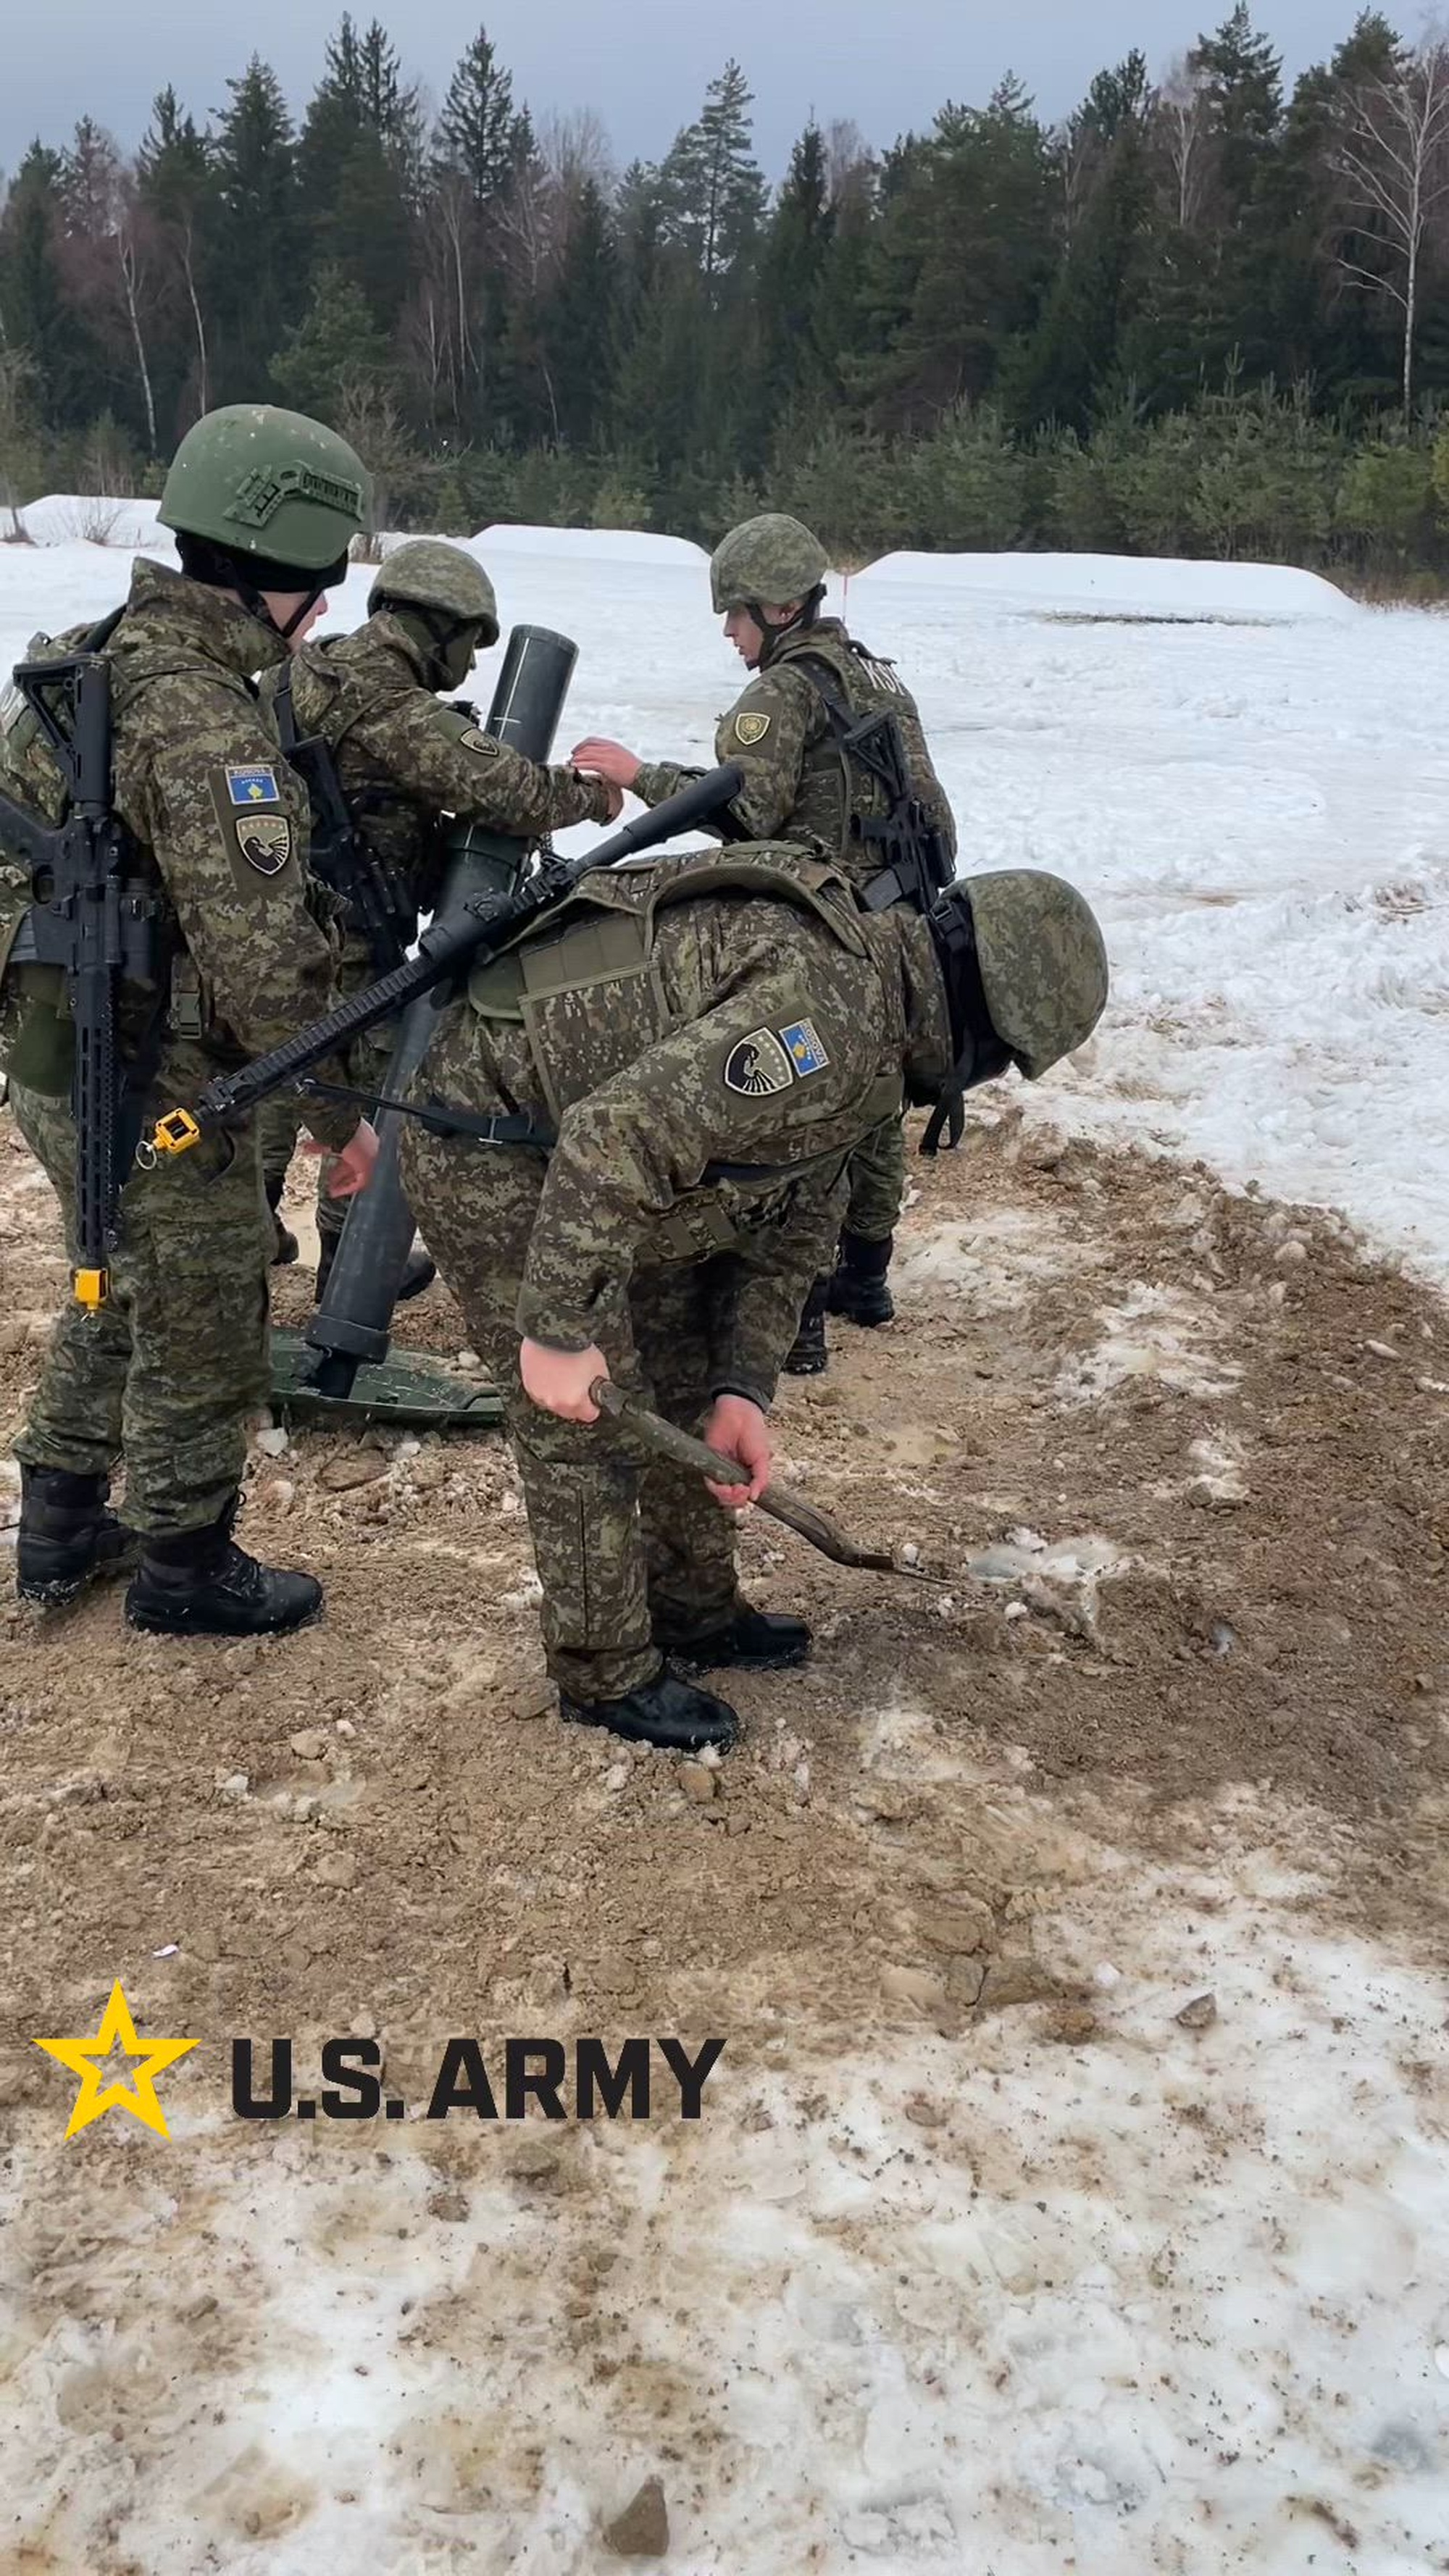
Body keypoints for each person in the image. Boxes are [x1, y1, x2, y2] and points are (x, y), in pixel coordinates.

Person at [396, 843, 1108, 1754]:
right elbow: (612, 1139)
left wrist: (741, 1387)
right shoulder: (832, 1017)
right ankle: (603, 1668)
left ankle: (693, 1608)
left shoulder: (880, 1026)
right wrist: (559, 1329)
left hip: (601, 1157)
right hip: (494, 1135)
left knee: (687, 1362)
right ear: (983, 1026)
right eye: (1002, 1063)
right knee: (585, 1423)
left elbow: (789, 1234)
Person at [4, 402, 375, 1636]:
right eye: (318, 584)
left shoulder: (83, 660)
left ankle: (59, 1521)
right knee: (208, 1307)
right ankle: (181, 1564)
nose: (320, 611)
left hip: (57, 1055)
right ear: (278, 566)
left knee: (111, 1284)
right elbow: (270, 971)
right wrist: (338, 1113)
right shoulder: (207, 720)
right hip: (157, 1079)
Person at [572, 509, 959, 1373]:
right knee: (876, 1100)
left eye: (736, 613)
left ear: (779, 609)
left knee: (805, 1104)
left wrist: (641, 779)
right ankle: (867, 1277)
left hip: (831, 921)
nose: (727, 631)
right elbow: (933, 811)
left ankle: (804, 1313)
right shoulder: (874, 676)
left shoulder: (785, 691)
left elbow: (741, 808)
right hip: (898, 914)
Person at [256, 538, 622, 1297]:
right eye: (471, 643)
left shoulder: (298, 674)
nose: (472, 661)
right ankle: (348, 1271)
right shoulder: (387, 699)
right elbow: (510, 789)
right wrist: (594, 796)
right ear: (442, 628)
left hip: (270, 929)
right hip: (349, 943)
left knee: (272, 1083)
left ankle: (252, 1250)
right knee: (378, 1094)